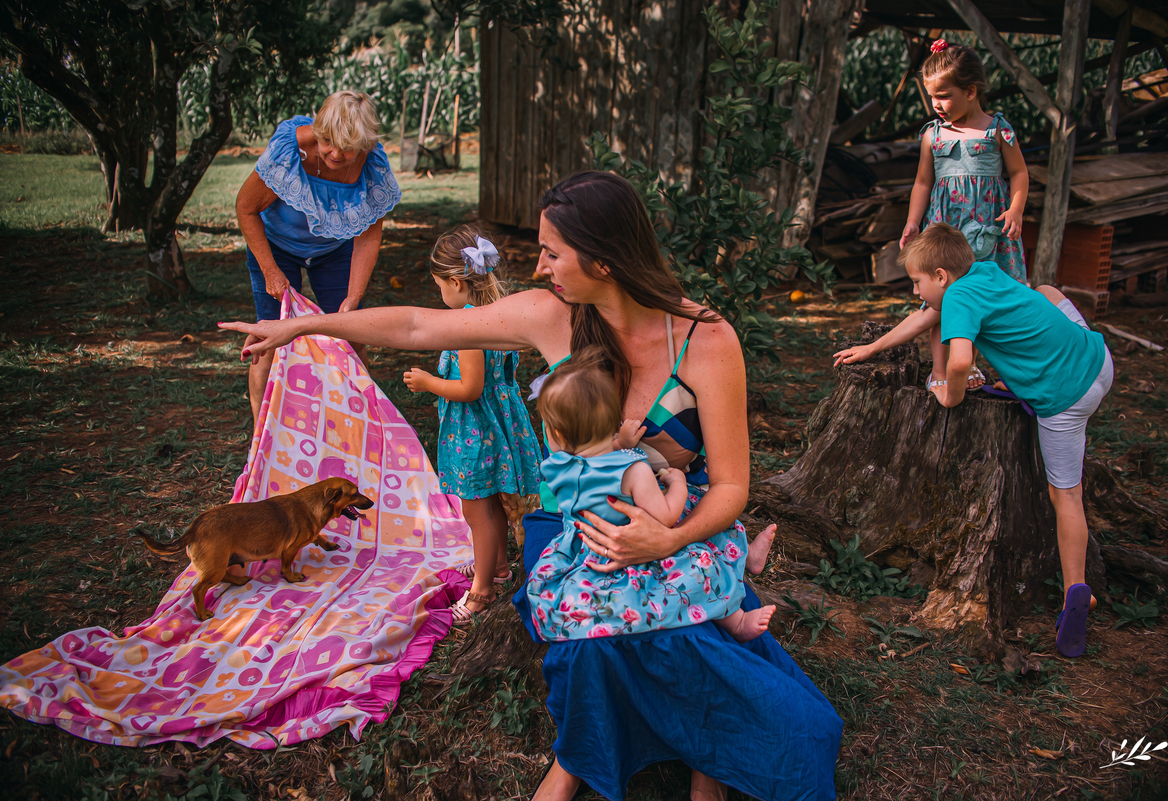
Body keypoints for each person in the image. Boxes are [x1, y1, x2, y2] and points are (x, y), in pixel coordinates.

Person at [219, 171, 842, 801]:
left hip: (675, 515)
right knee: (588, 644)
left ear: (603, 261)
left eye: (552, 253)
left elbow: (732, 485)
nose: (539, 267)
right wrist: (305, 327)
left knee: (691, 636)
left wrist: (668, 538)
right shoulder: (552, 317)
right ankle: (581, 758)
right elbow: (417, 328)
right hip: (576, 523)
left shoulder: (705, 340)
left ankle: (709, 770)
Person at [903, 224, 1112, 658]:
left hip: (1065, 399)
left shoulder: (956, 299)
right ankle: (1034, 368)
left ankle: (1077, 590)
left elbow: (959, 362)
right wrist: (871, 349)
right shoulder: (985, 271)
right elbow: (926, 316)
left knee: (1066, 495)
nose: (916, 292)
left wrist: (949, 395)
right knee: (1047, 291)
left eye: (918, 282)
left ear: (941, 276)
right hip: (1097, 359)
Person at [528, 347, 776, 643]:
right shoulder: (634, 471)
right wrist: (678, 483)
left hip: (586, 553)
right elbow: (665, 517)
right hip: (637, 549)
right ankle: (736, 621)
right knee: (700, 562)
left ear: (556, 434)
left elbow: (591, 461)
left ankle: (747, 560)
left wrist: (619, 444)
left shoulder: (557, 467)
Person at [235, 90, 401, 425]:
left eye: (348, 147)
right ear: (318, 130)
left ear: (365, 144)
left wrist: (353, 297)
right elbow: (245, 207)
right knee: (269, 338)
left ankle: (362, 427)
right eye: (328, 142)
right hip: (276, 245)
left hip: (333, 249)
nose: (336, 154)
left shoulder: (372, 164)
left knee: (353, 333)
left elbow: (368, 236)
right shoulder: (290, 149)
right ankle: (262, 435)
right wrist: (270, 271)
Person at [401, 225, 541, 623]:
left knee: (477, 513)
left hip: (476, 433)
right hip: (499, 424)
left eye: (439, 286)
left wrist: (428, 382)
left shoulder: (467, 327)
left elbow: (470, 388)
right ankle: (496, 568)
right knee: (491, 504)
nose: (439, 295)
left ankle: (481, 592)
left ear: (456, 282)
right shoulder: (497, 313)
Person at [896, 39, 1030, 391]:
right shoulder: (932, 135)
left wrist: (1015, 209)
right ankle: (941, 370)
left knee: (984, 296)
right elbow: (923, 182)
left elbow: (1019, 172)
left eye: (944, 96)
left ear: (971, 91)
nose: (936, 105)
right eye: (932, 97)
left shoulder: (998, 130)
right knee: (942, 299)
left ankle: (972, 365)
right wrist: (913, 221)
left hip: (986, 230)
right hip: (945, 228)